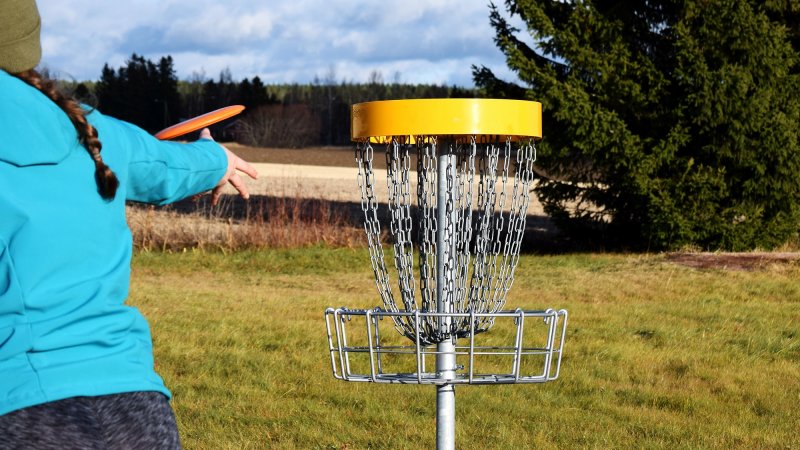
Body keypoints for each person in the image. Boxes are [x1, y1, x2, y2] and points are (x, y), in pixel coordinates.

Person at [0, 0, 258, 447]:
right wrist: (217, 159)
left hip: (22, 410)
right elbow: (165, 163)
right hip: (137, 407)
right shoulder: (85, 125)